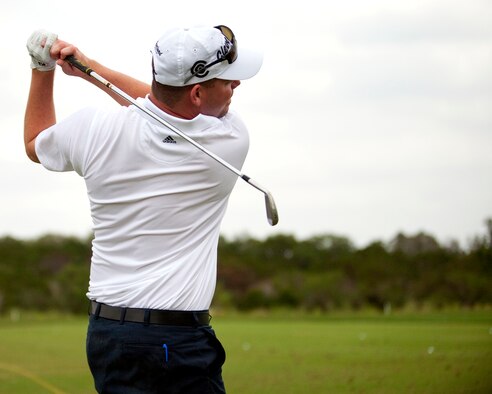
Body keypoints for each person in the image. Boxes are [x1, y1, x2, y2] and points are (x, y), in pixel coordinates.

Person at [24, 25, 263, 393]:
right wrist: (94, 69)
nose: (236, 86)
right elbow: (159, 108)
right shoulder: (227, 141)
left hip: (108, 335)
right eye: (226, 80)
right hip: (178, 339)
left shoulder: (91, 128)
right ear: (198, 93)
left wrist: (42, 69)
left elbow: (34, 142)